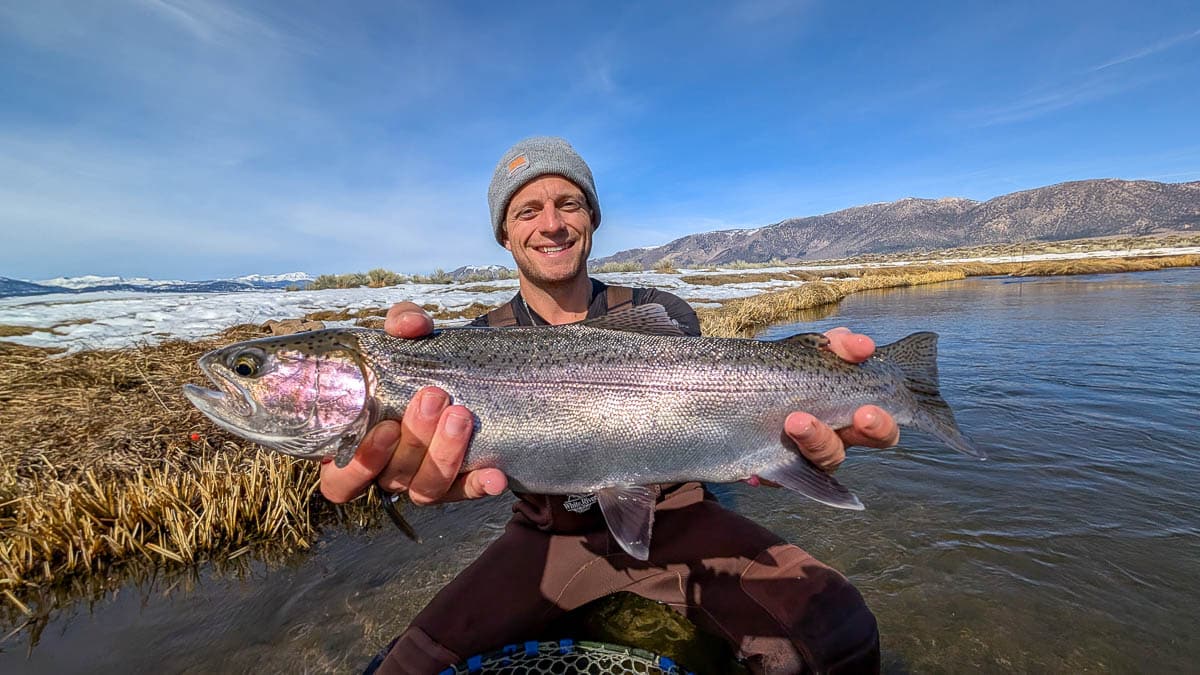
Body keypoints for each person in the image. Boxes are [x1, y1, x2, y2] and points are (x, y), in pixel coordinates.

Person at [321, 137, 899, 674]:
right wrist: (374, 465)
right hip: (548, 534)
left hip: (679, 516)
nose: (551, 224)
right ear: (504, 233)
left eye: (568, 203)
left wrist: (782, 455)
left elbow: (717, 419)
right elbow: (409, 456)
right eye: (527, 211)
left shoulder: (662, 313)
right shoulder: (467, 344)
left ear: (592, 218)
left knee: (839, 630)